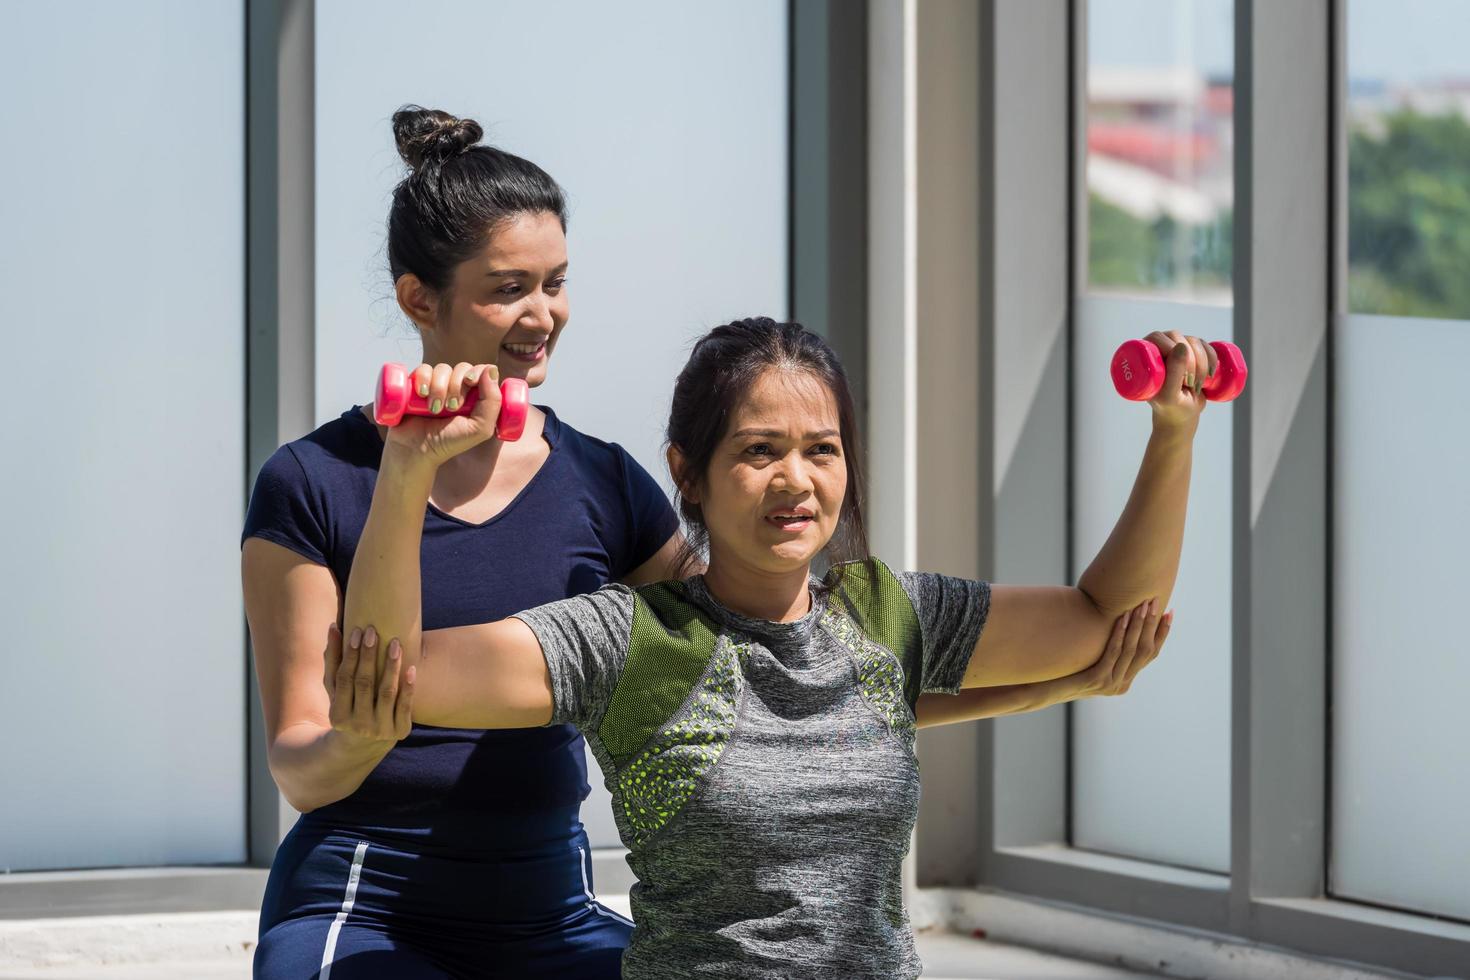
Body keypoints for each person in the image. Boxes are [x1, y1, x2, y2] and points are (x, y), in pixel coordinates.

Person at [335, 316, 1202, 978]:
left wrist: (1174, 434)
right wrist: (409, 470)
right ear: (689, 473)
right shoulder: (632, 640)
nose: (796, 479)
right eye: (758, 451)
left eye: (821, 450)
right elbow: (390, 675)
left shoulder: (888, 615)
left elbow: (1105, 615)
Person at [241, 107, 686, 979]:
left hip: (553, 903)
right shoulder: (310, 480)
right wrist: (363, 738)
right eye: (508, 287)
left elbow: (727, 666)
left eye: (555, 282)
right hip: (363, 897)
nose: (543, 314)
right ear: (419, 299)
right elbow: (301, 767)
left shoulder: (605, 480)